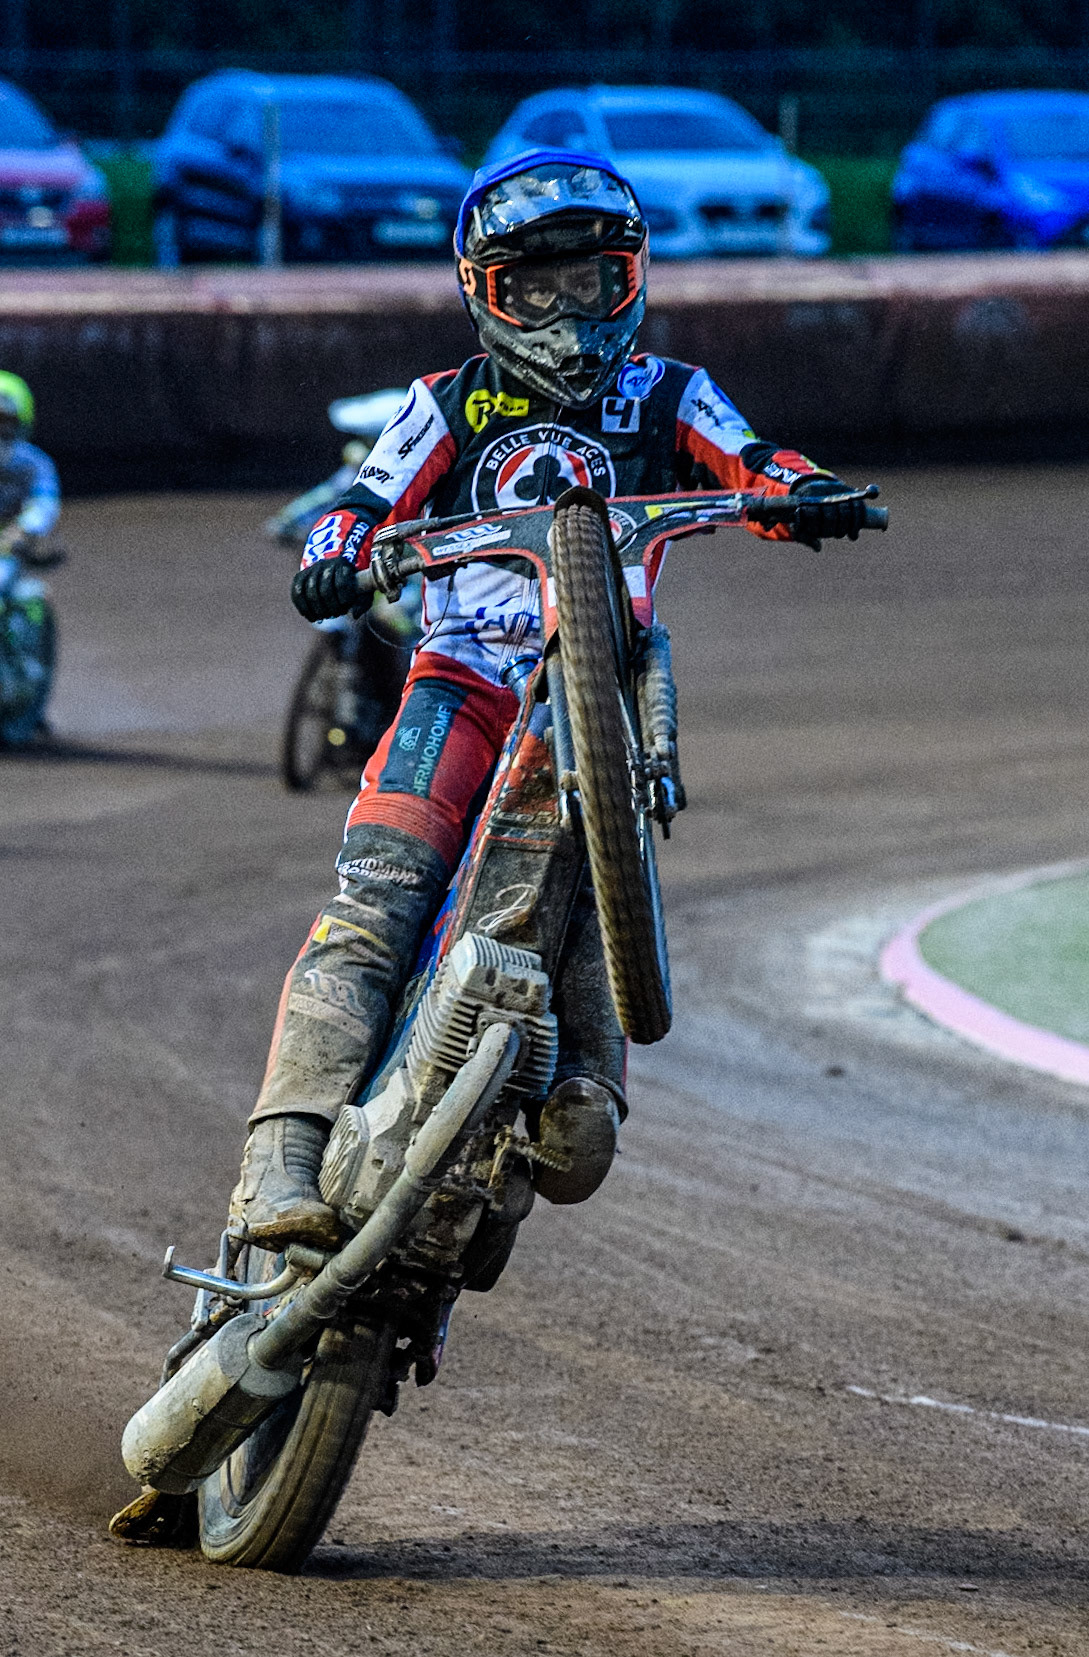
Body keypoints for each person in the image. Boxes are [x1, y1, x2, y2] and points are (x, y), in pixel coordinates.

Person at [230, 150, 869, 1251]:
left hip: (595, 689)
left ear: (630, 277)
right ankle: (277, 1156)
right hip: (464, 680)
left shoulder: (670, 392)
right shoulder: (445, 402)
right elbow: (361, 500)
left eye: (591, 281)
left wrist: (805, 493)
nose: (568, 312)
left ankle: (584, 1078)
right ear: (487, 291)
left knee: (592, 866)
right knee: (379, 893)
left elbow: (750, 459)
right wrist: (335, 555)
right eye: (536, 288)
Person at [0, 370, 61, 555]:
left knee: (32, 586)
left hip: (9, 557)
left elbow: (45, 502)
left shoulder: (35, 463)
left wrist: (25, 528)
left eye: (3, 420)